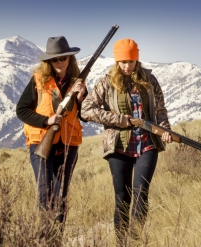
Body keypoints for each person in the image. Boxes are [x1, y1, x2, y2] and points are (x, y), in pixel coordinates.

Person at [80, 38, 173, 244]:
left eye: (130, 61)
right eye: (122, 61)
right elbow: (86, 109)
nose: (127, 66)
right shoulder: (106, 82)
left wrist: (165, 129)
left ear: (136, 59)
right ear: (116, 61)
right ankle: (121, 242)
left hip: (148, 143)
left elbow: (160, 109)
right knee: (122, 196)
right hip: (119, 146)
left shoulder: (150, 79)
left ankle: (135, 240)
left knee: (141, 194)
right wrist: (119, 120)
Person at [16, 36, 87, 228]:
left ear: (69, 59)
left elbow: (86, 115)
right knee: (45, 193)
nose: (60, 62)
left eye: (63, 58)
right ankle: (44, 238)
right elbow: (21, 110)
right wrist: (46, 121)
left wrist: (81, 98)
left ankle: (57, 238)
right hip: (41, 142)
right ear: (48, 61)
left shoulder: (78, 83)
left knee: (61, 194)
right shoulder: (38, 80)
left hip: (68, 144)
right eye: (55, 59)